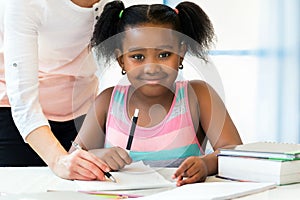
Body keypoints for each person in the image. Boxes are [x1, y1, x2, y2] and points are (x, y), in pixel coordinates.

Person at [70, 1, 243, 186]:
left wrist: (205, 164)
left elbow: (235, 153)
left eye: (164, 55)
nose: (151, 68)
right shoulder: (107, 101)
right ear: (121, 60)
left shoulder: (199, 96)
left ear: (181, 53)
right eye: (137, 57)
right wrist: (96, 155)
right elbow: (71, 159)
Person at [0, 0, 115, 180]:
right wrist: (58, 160)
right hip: (18, 115)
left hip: (82, 110)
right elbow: (23, 100)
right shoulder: (26, 4)